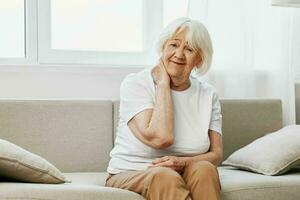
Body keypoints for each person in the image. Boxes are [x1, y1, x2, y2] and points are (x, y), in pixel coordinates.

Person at [105, 17, 223, 200]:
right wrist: (162, 83)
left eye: (189, 49)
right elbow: (161, 138)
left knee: (205, 169)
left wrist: (183, 162)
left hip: (186, 170)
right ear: (163, 47)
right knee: (164, 176)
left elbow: (216, 154)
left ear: (200, 60)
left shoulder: (208, 94)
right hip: (134, 172)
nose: (179, 54)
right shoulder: (136, 84)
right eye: (174, 45)